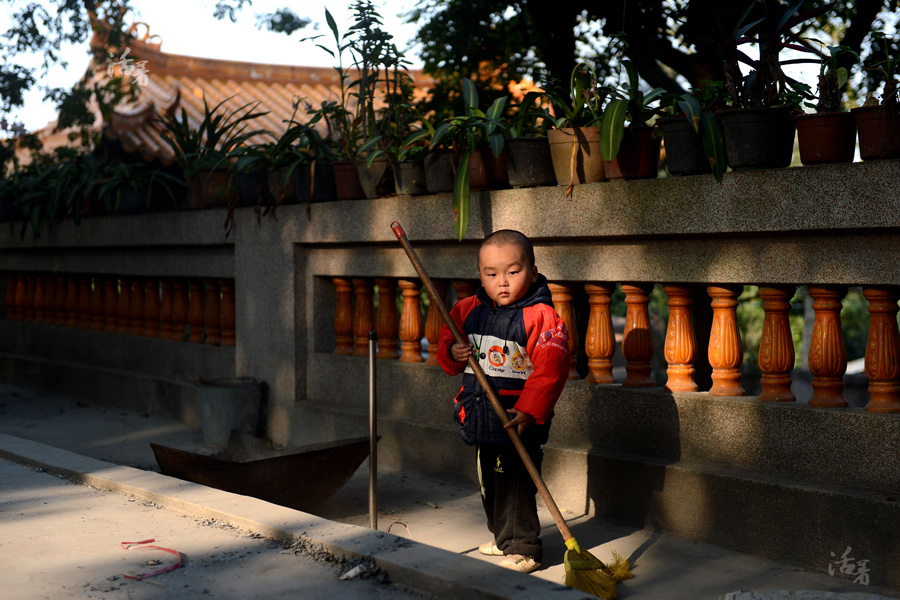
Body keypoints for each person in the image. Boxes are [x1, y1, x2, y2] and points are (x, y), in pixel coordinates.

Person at [437, 229, 570, 574]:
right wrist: (454, 351)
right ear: (480, 275)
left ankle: (525, 549)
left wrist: (529, 410)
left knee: (516, 485)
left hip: (518, 419)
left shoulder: (541, 317)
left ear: (533, 273)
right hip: (480, 414)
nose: (503, 282)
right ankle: (503, 539)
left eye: (513, 272)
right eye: (492, 274)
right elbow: (447, 346)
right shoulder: (467, 310)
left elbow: (551, 369)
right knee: (490, 482)